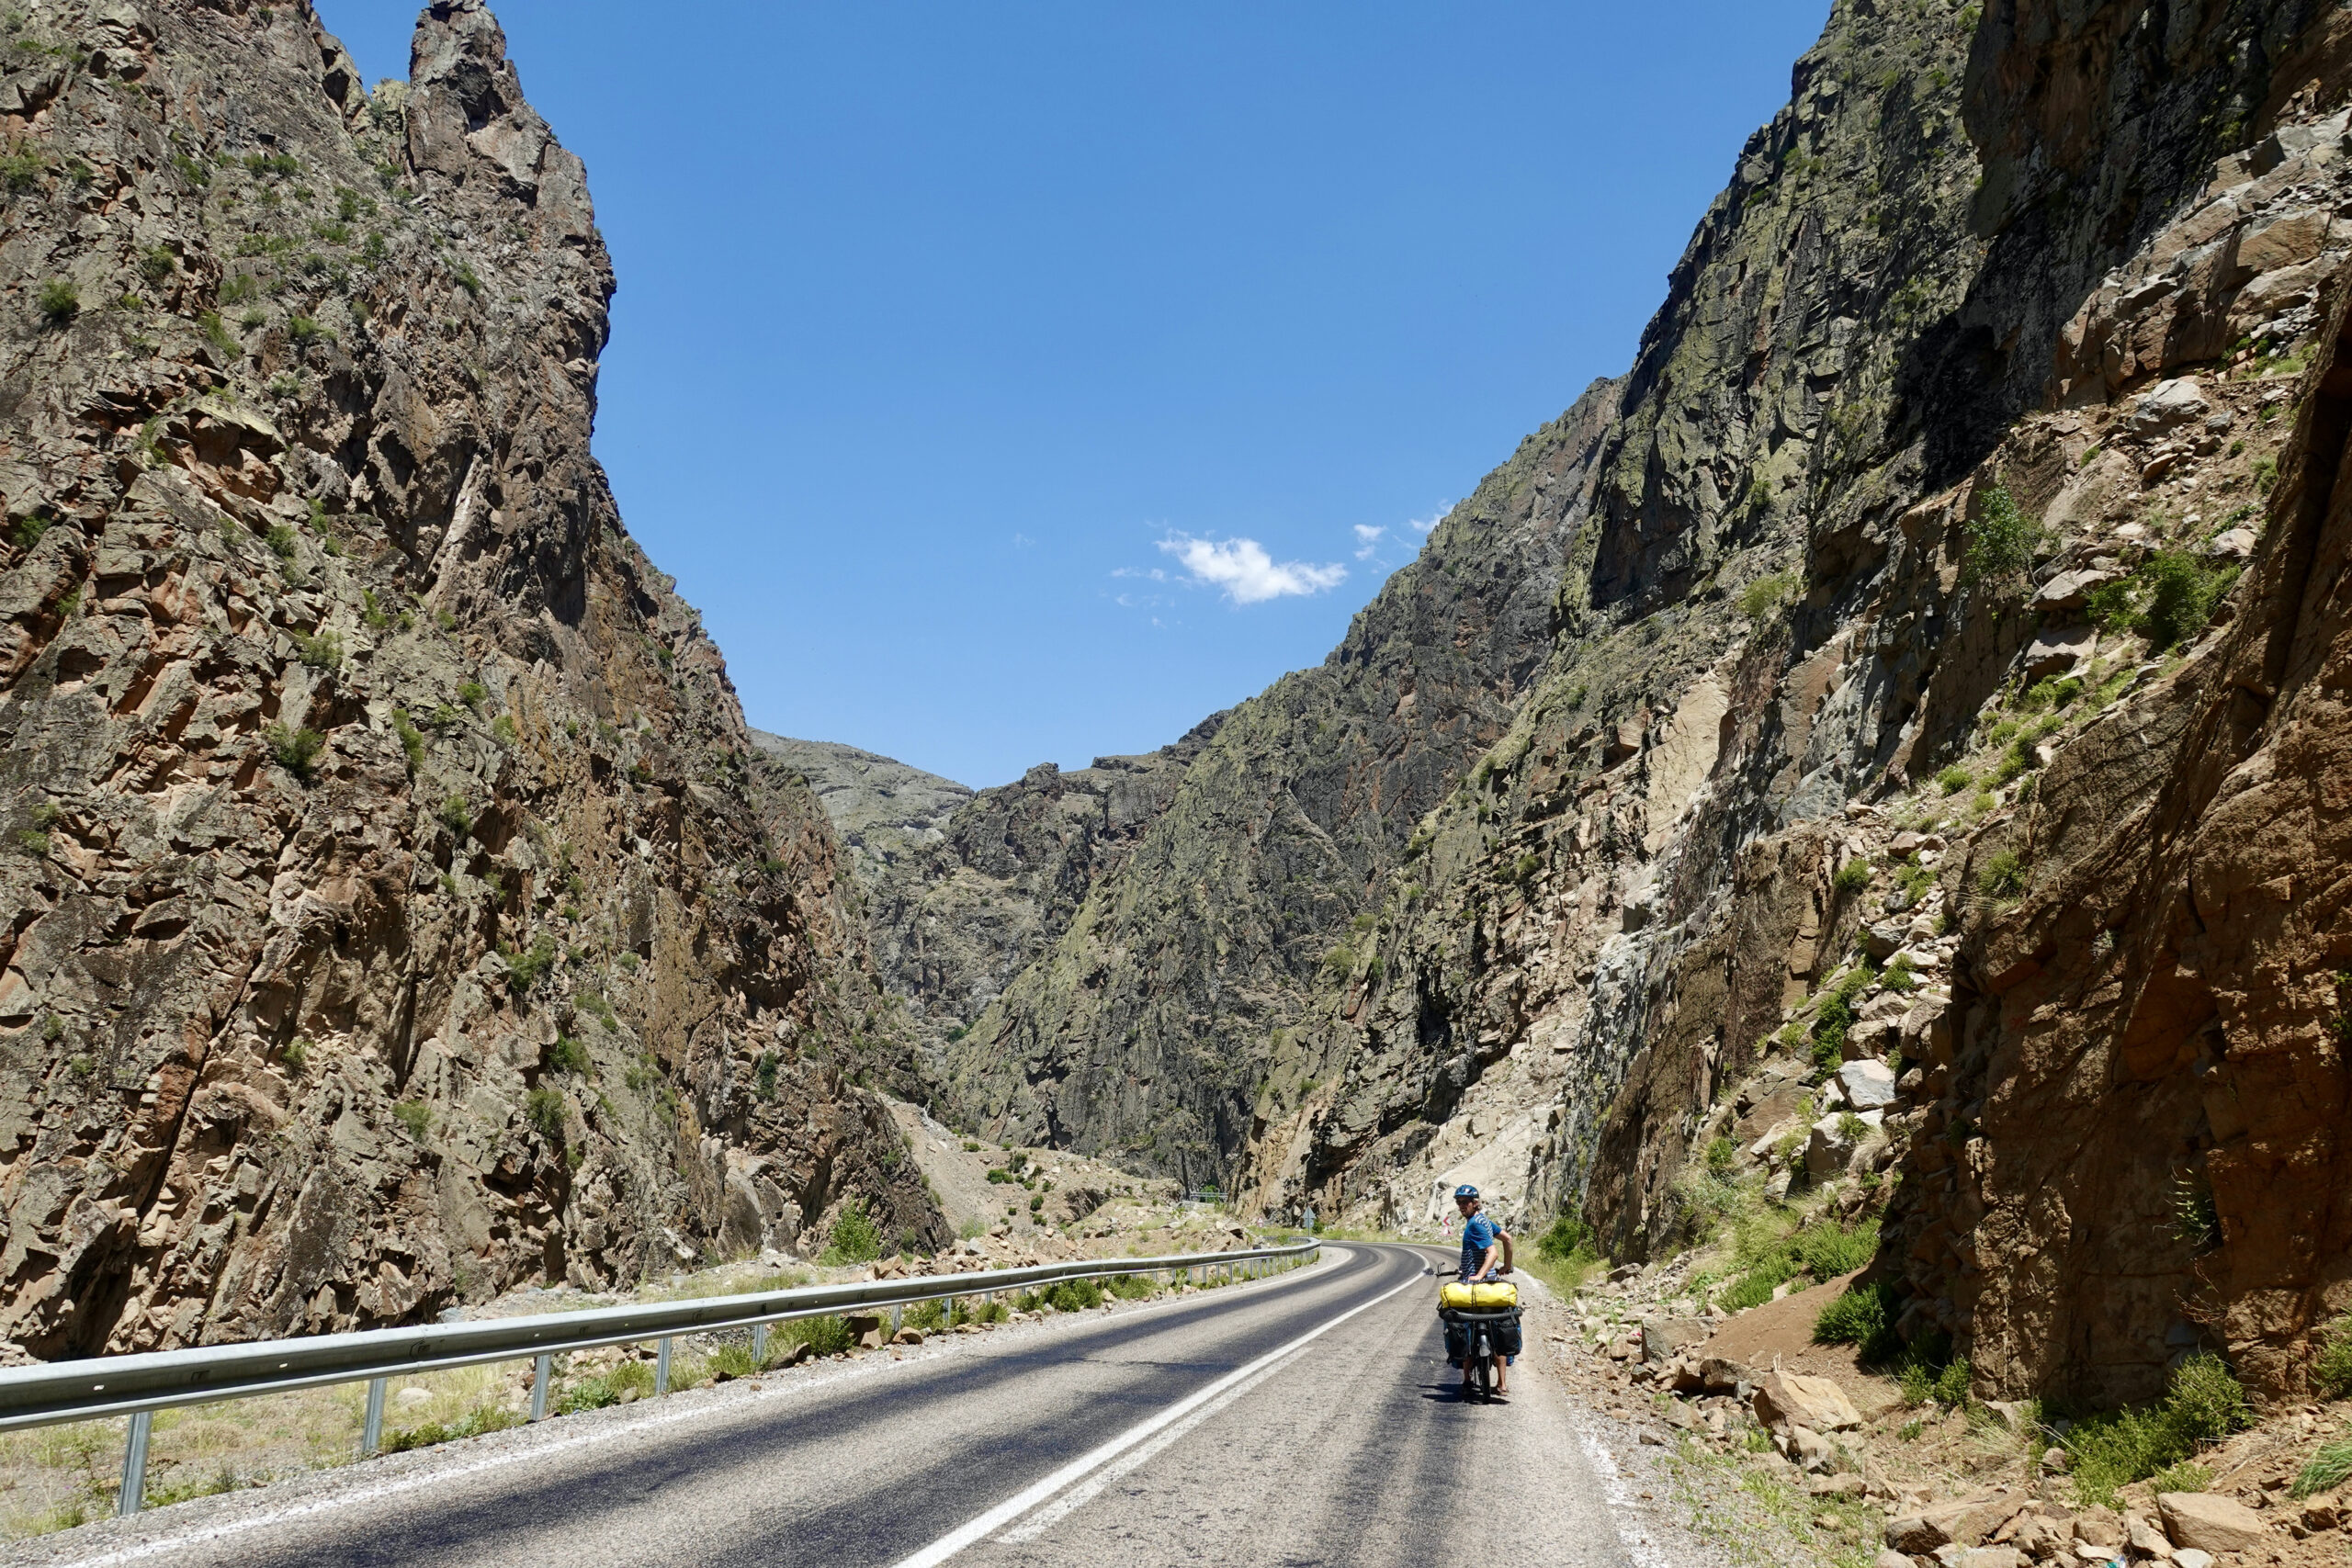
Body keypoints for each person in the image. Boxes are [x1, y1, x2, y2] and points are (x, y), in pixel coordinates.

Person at [1453, 1184, 1514, 1396]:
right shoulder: (1484, 1221)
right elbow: (1507, 1239)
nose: (1461, 1206)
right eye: (1458, 1202)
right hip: (1493, 1286)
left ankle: (1467, 1379)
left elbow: (1492, 1253)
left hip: (1475, 1287)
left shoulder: (1474, 1225)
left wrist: (1478, 1275)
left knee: (1467, 1326)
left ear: (1475, 1203)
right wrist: (1507, 1267)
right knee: (1496, 1329)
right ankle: (1502, 1384)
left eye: (1465, 1202)